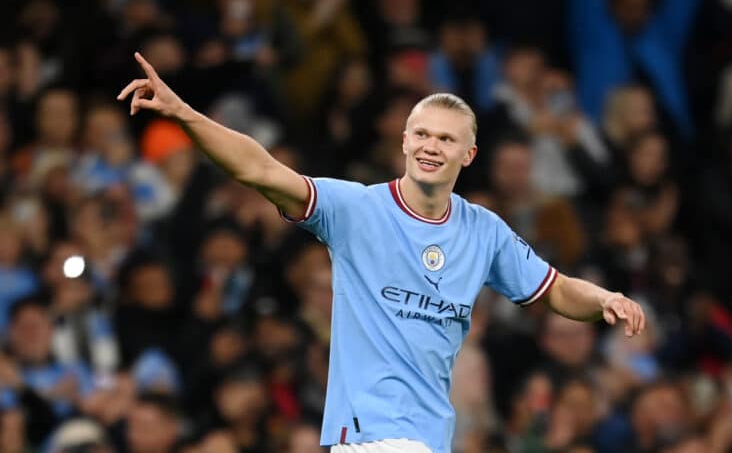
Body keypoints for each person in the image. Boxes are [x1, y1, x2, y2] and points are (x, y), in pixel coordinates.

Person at [117, 52, 646, 453]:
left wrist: (604, 299)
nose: (431, 146)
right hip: (371, 435)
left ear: (468, 154)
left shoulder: (484, 231)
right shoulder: (357, 208)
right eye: (422, 134)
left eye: (446, 139)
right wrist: (183, 113)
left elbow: (555, 290)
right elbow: (260, 169)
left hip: (428, 437)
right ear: (405, 141)